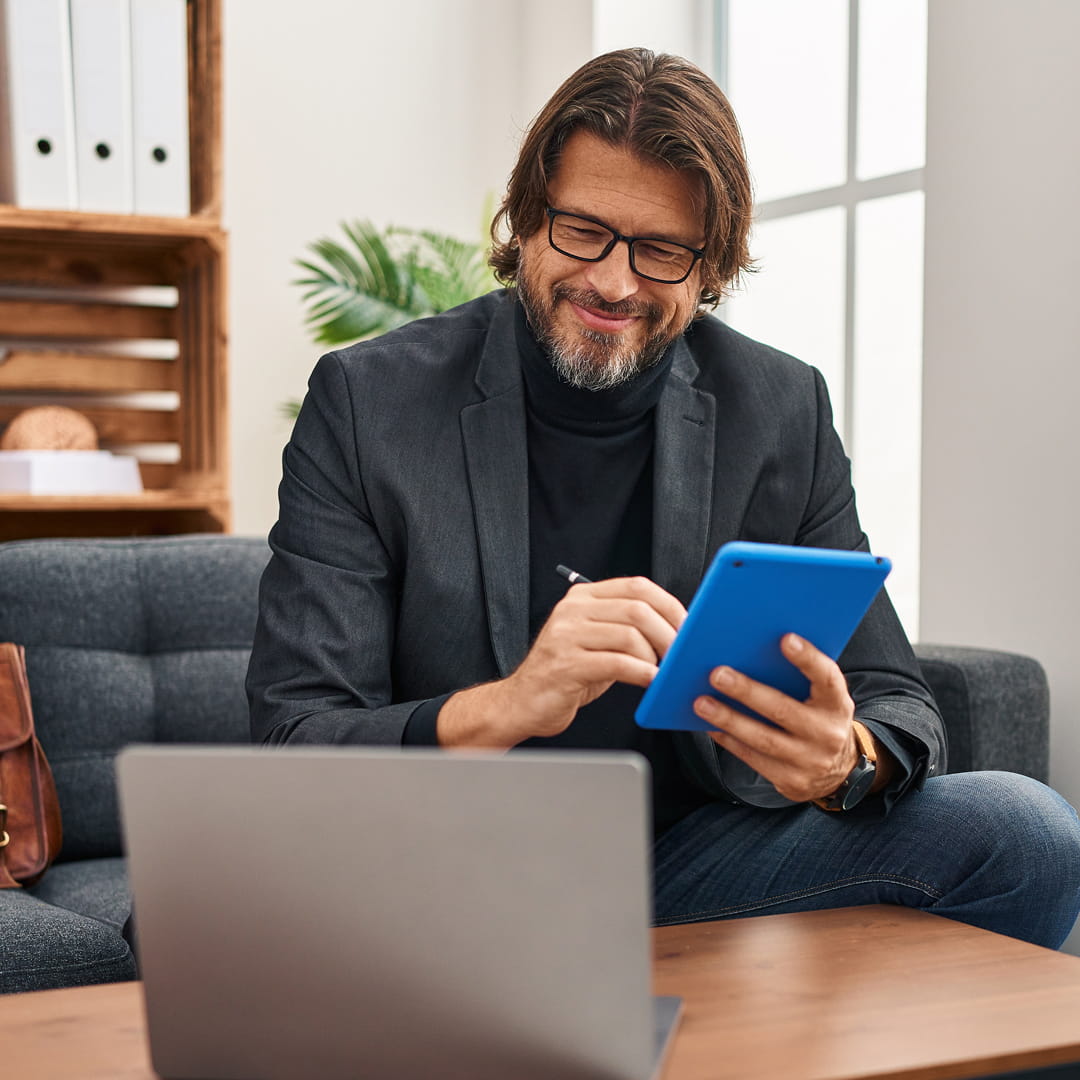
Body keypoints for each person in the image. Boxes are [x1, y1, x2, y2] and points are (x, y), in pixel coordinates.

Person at [247, 47, 1080, 949]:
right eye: (582, 231)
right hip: (446, 866)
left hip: (692, 862)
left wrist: (842, 760)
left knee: (1024, 833)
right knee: (222, 916)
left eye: (661, 251)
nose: (613, 281)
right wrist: (510, 702)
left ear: (709, 264)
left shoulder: (780, 407)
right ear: (527, 218)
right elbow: (295, 738)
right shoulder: (372, 401)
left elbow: (896, 700)